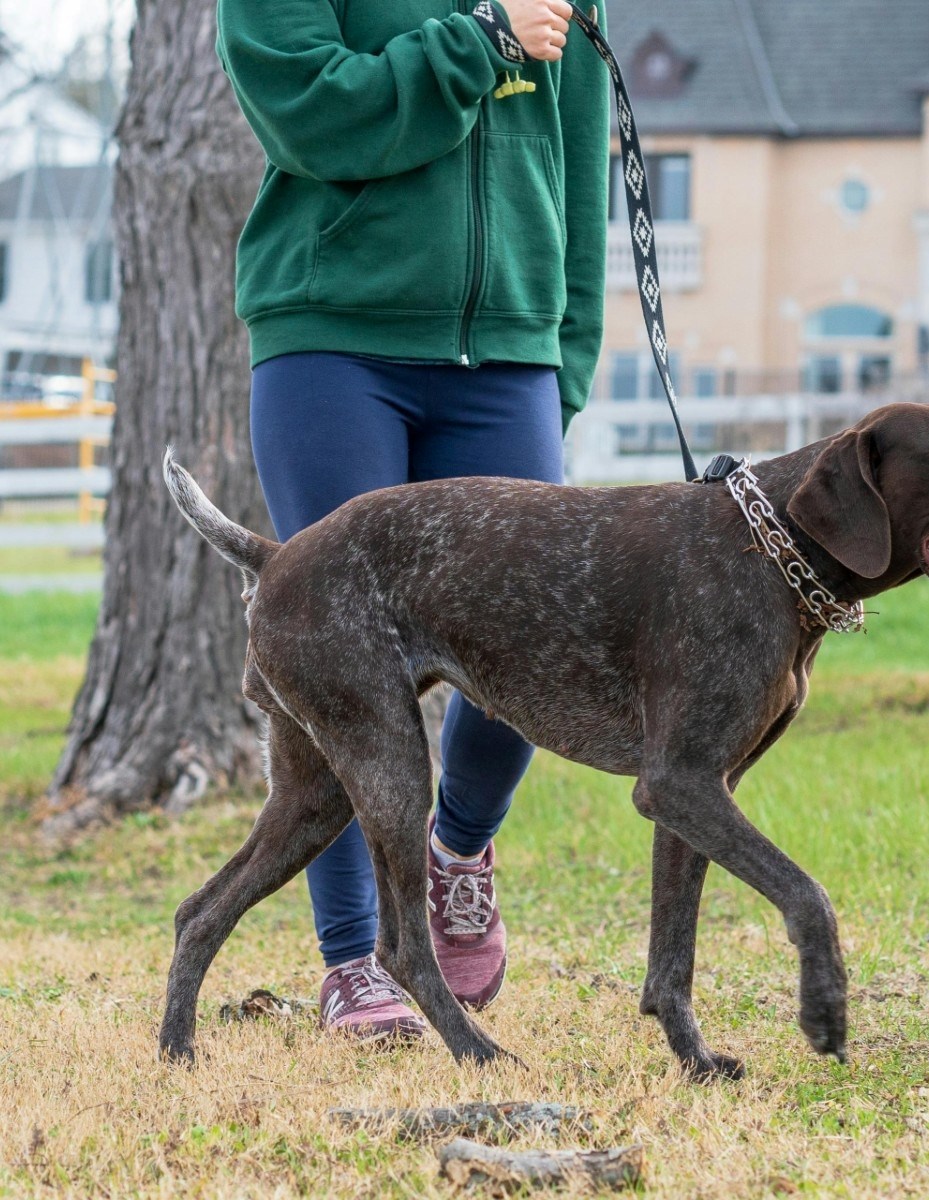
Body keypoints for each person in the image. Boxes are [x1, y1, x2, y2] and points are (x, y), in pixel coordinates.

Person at [215, 0, 609, 1041]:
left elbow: (577, 172)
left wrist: (561, 361)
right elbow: (309, 113)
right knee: (343, 662)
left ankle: (460, 847)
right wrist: (477, 42)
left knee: (532, 641)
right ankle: (354, 957)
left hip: (510, 354)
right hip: (334, 343)